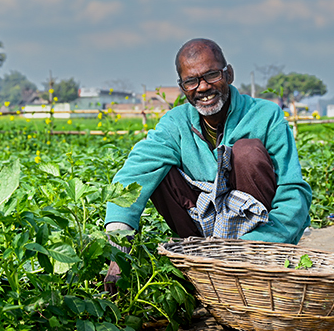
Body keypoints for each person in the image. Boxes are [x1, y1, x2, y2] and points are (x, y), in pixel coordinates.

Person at [104, 38, 312, 289]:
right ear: (183, 88)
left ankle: (252, 263)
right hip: (200, 233)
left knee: (248, 152)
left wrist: (263, 241)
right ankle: (199, 266)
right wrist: (119, 241)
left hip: (255, 239)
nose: (202, 87)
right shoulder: (176, 123)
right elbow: (136, 171)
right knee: (159, 172)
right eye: (191, 81)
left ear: (229, 74)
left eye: (212, 75)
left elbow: (293, 190)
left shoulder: (265, 115)